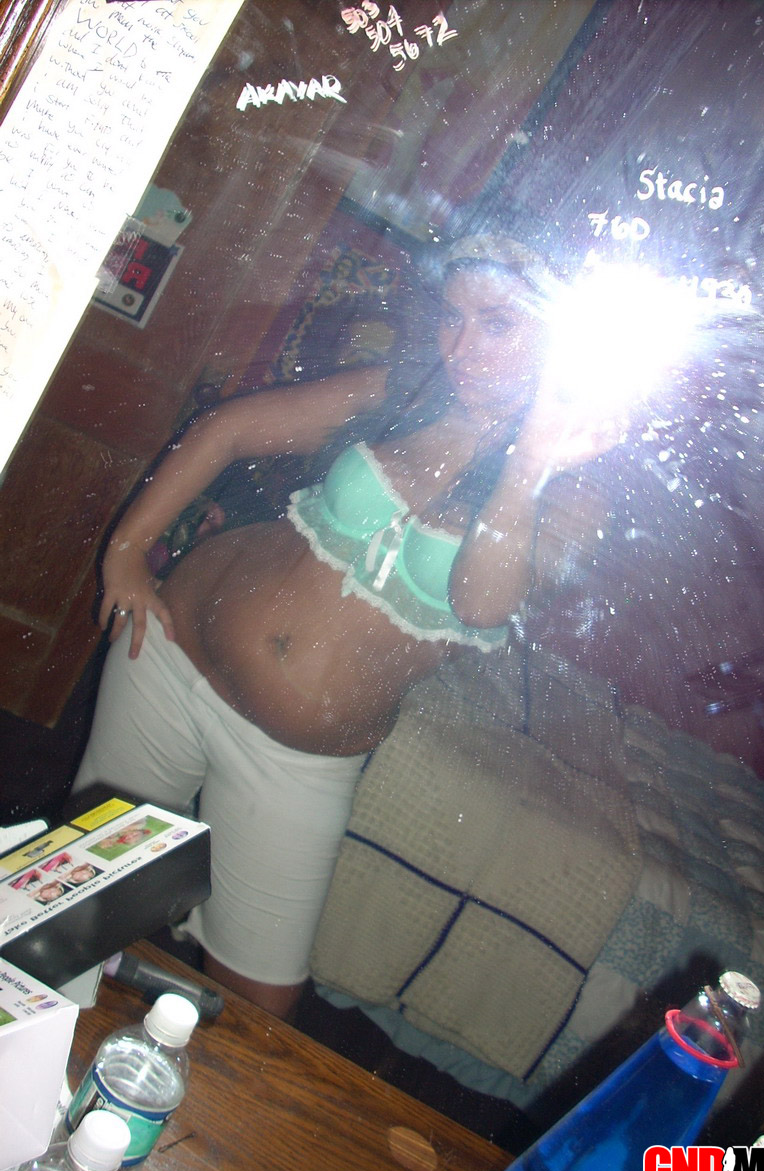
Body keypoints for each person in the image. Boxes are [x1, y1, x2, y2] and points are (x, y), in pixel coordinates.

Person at [73, 234, 624, 1018]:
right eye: (452, 316)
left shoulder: (576, 491)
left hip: (295, 760)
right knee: (78, 904)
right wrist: (126, 552)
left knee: (258, 1003)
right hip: (167, 655)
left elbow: (481, 603)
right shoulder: (404, 389)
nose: (461, 347)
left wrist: (528, 465)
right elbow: (231, 428)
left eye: (497, 322)